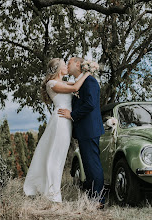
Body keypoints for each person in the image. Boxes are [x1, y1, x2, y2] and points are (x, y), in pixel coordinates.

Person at [23, 58, 90, 203]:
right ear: (59, 69)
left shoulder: (63, 82)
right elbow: (75, 88)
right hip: (60, 121)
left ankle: (51, 192)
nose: (67, 66)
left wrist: (85, 74)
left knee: (59, 158)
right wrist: (88, 72)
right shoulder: (51, 84)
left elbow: (77, 84)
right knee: (55, 157)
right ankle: (53, 196)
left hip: (66, 121)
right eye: (64, 65)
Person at [58, 57, 105, 207]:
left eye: (69, 63)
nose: (67, 65)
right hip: (84, 130)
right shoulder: (80, 82)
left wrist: (72, 115)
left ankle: (98, 199)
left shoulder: (90, 81)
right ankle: (92, 197)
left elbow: (90, 104)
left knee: (93, 164)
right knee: (88, 165)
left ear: (78, 64)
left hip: (90, 129)